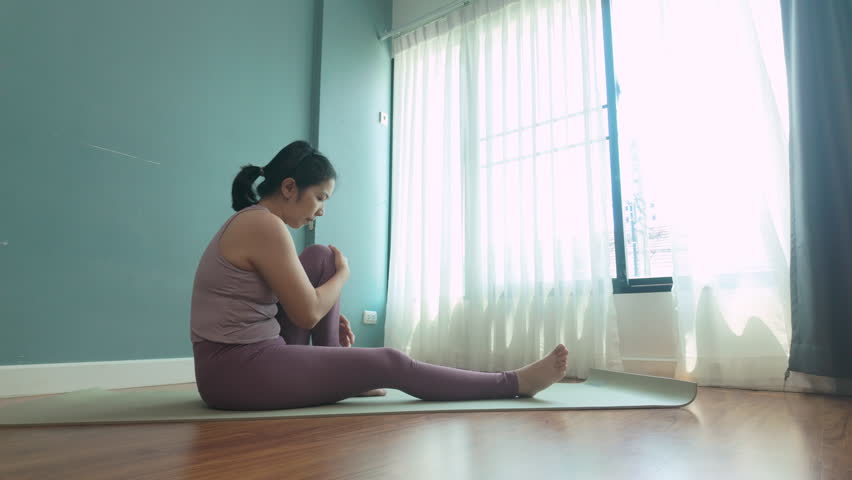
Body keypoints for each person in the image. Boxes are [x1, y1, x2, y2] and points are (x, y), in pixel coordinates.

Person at [190, 140, 569, 410]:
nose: (321, 211)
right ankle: (513, 383)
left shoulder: (260, 224)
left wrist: (329, 303)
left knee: (321, 256)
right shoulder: (264, 226)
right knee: (391, 362)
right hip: (235, 372)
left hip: (246, 359)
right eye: (320, 197)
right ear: (289, 188)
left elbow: (288, 305)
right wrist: (343, 276)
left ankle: (334, 365)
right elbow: (305, 314)